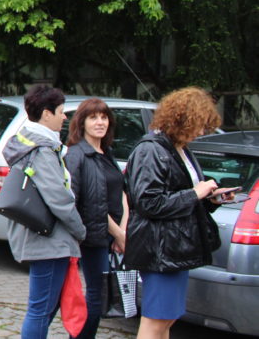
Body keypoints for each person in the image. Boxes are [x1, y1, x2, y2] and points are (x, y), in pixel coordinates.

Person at [125, 87, 227, 339]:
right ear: (182, 120)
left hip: (176, 248)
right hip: (159, 249)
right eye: (199, 125)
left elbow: (182, 197)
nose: (202, 132)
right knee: (156, 320)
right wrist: (196, 193)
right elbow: (149, 203)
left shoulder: (179, 148)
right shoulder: (151, 149)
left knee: (167, 319)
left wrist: (212, 199)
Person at [2, 86, 85, 339]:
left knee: (45, 307)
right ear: (46, 114)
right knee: (40, 309)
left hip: (45, 238)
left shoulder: (36, 144)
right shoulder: (42, 150)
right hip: (47, 240)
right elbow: (58, 198)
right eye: (61, 112)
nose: (64, 117)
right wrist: (80, 229)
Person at [62, 98, 127, 338]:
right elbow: (90, 204)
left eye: (104, 117)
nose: (100, 122)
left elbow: (122, 192)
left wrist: (123, 229)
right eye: (93, 117)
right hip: (92, 238)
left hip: (113, 236)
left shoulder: (107, 152)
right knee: (95, 295)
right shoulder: (77, 155)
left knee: (100, 294)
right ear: (82, 122)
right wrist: (118, 233)